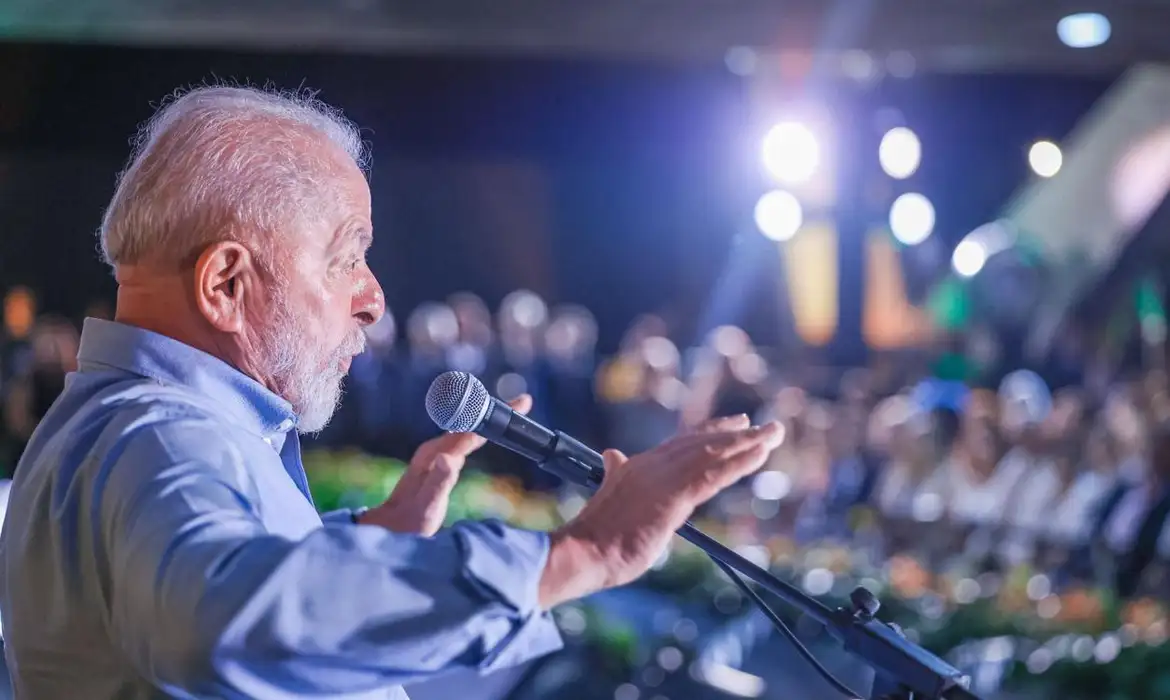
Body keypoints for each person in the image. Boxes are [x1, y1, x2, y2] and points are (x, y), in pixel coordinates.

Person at [0, 85, 784, 700]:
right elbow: (219, 625)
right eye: (347, 258)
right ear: (226, 284)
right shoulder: (163, 436)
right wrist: (579, 553)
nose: (374, 298)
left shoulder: (128, 427)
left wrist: (364, 546)